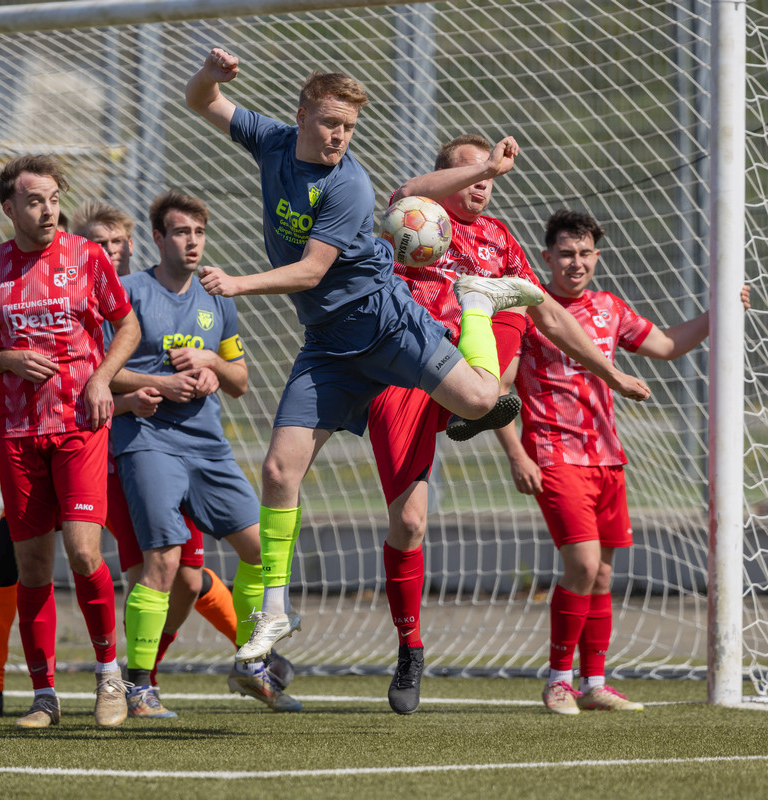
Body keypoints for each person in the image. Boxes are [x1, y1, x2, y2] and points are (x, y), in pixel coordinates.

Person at [184, 48, 548, 663]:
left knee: (483, 399)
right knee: (278, 471)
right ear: (301, 115)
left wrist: (238, 283)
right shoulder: (272, 142)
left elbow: (311, 271)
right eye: (330, 122)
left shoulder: (348, 184)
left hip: (385, 324)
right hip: (328, 345)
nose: (339, 136)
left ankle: (478, 301)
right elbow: (203, 102)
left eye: (349, 127)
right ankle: (275, 610)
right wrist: (209, 77)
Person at [0, 199, 276, 719]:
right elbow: (31, 352)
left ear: (132, 245)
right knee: (18, 558)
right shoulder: (72, 290)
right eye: (97, 243)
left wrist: (204, 368)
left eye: (117, 243)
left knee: (183, 574)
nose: (108, 251)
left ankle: (213, 662)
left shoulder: (143, 297)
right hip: (69, 444)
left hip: (132, 456)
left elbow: (104, 372)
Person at [369, 136, 653, 713]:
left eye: (489, 174)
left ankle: (479, 398)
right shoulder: (414, 218)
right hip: (404, 373)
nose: (482, 181)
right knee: (410, 523)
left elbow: (551, 314)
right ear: (442, 179)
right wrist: (484, 164)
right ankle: (410, 647)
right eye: (469, 171)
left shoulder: (499, 238)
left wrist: (612, 374)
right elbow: (404, 194)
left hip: (464, 371)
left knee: (517, 300)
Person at [496, 208, 751, 714]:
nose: (576, 262)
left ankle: (594, 682)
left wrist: (720, 312)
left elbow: (667, 346)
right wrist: (516, 453)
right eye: (565, 254)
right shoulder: (528, 311)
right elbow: (499, 389)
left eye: (585, 253)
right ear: (546, 257)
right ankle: (558, 681)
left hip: (608, 460)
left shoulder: (609, 308)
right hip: (553, 455)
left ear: (596, 257)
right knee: (583, 564)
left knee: (603, 577)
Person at [0, 154, 141, 729]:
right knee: (33, 568)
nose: (47, 211)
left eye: (54, 200)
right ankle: (44, 698)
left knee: (84, 553)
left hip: (79, 427)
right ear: (9, 207)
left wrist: (102, 379)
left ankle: (110, 677)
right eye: (34, 201)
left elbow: (128, 325)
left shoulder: (87, 257)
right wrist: (5, 359)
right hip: (17, 433)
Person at [109, 189, 302, 713]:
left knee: (262, 550)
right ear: (158, 238)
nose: (192, 242)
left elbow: (240, 380)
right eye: (180, 232)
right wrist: (161, 383)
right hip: (147, 442)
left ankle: (250, 661)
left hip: (208, 446)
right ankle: (139, 687)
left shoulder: (217, 297)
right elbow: (101, 372)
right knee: (165, 561)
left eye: (198, 232)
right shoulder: (128, 293)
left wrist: (212, 366)